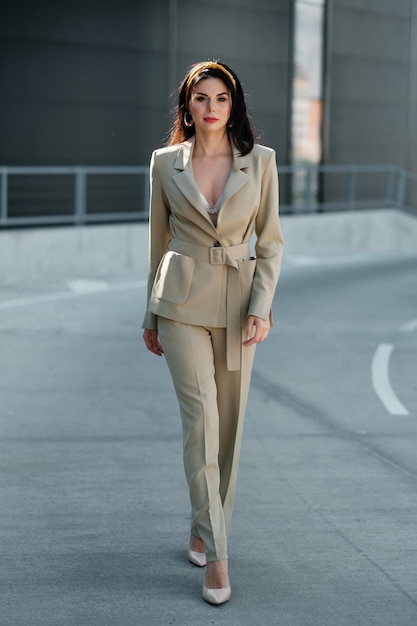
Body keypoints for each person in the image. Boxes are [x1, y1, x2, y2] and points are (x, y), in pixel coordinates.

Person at [142, 60, 284, 605]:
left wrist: (263, 308)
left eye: (220, 98)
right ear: (187, 106)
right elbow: (157, 243)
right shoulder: (163, 163)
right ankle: (219, 556)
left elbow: (270, 243)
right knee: (201, 422)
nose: (210, 108)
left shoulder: (261, 162)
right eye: (200, 98)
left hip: (239, 303)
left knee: (229, 428)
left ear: (234, 105)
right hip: (179, 303)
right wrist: (150, 315)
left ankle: (204, 524)